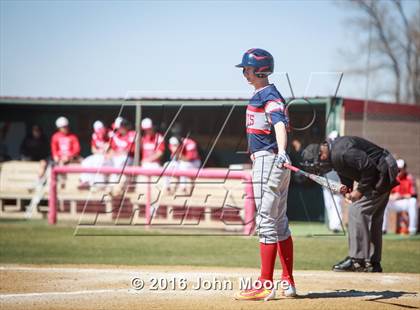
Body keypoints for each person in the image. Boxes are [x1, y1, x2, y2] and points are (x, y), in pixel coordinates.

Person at [234, 48, 296, 301]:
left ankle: (265, 284)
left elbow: (279, 122)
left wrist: (281, 150)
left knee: (267, 223)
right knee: (279, 223)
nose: (244, 73)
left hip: (269, 161)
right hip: (275, 161)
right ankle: (288, 282)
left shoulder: (268, 95)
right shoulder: (265, 93)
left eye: (247, 69)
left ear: (259, 70)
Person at [302, 136, 399, 273]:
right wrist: (348, 190)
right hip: (383, 168)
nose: (318, 167)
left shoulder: (341, 152)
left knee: (356, 210)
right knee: (373, 218)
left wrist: (359, 191)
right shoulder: (334, 154)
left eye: (316, 163)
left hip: (382, 170)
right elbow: (346, 172)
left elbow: (368, 167)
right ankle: (372, 262)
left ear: (322, 154)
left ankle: (357, 260)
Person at [382, 159, 418, 236]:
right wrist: (392, 196)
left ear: (404, 169)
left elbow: (414, 195)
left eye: (400, 169)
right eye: (397, 169)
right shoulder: (390, 178)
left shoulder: (409, 178)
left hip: (404, 202)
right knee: (383, 203)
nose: (398, 171)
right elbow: (384, 194)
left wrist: (401, 196)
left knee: (413, 201)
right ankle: (383, 229)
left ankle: (412, 229)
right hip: (393, 202)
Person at [79, 121, 111, 188]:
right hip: (99, 155)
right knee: (86, 161)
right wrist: (100, 152)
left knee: (99, 161)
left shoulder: (110, 134)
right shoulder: (95, 135)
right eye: (98, 130)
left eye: (101, 129)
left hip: (109, 158)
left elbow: (112, 150)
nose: (100, 132)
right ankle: (85, 181)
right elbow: (93, 150)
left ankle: (99, 184)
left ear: (104, 128)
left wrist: (106, 153)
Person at [108, 118, 135, 183]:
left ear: (124, 126)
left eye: (119, 127)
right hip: (117, 158)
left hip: (128, 159)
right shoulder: (116, 135)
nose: (117, 129)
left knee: (122, 160)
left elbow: (130, 150)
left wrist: (117, 153)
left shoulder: (132, 134)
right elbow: (111, 150)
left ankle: (116, 187)